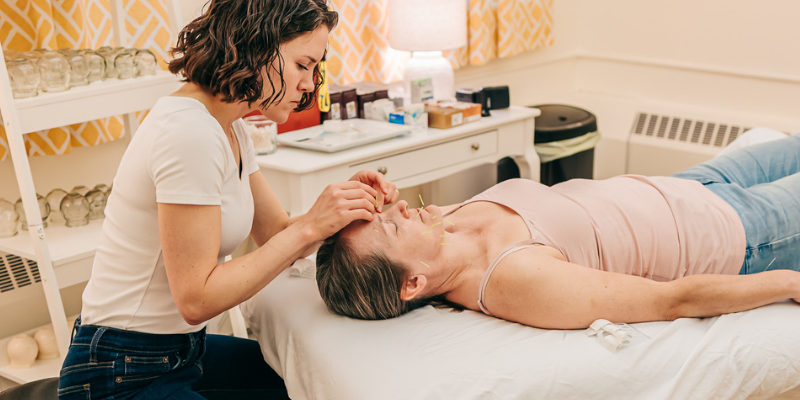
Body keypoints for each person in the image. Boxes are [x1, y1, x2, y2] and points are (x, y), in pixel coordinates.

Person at [58, 1, 399, 399]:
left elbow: (275, 233)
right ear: (258, 46)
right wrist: (311, 225)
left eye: (315, 69)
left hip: (181, 352)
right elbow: (196, 298)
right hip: (120, 369)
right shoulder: (189, 131)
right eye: (303, 65)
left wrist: (341, 208)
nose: (311, 84)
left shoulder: (229, 126)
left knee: (309, 381)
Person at [316, 133, 800, 330]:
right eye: (390, 225)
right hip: (741, 231)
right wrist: (792, 282)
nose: (399, 206)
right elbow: (671, 301)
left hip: (688, 184)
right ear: (413, 283)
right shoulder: (514, 278)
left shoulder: (443, 226)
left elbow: (328, 239)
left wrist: (362, 204)